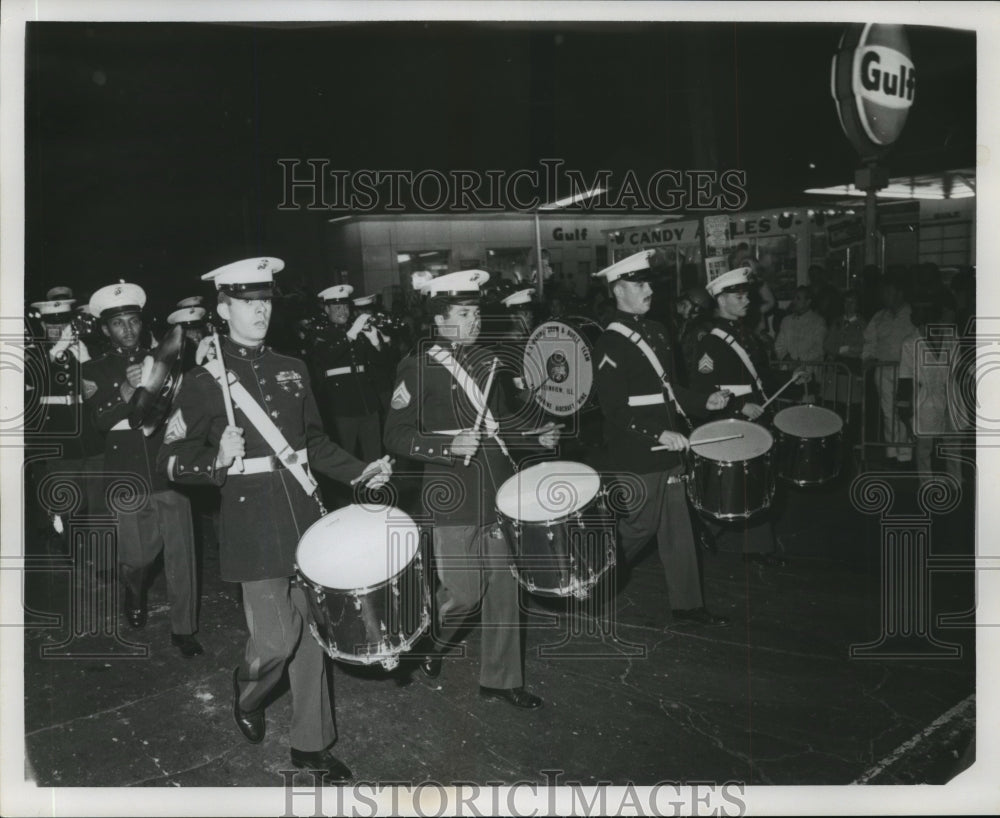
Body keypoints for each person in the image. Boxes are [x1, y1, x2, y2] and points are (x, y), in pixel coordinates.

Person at [157, 257, 391, 781]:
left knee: (313, 636)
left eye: (265, 299)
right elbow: (169, 459)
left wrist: (361, 472)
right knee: (276, 641)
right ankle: (248, 688)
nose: (259, 308)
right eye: (246, 300)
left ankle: (311, 744)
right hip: (252, 524)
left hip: (304, 515)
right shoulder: (201, 381)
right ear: (224, 308)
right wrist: (215, 457)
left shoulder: (294, 367)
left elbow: (314, 443)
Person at [384, 269, 560, 708]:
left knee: (504, 586)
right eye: (464, 312)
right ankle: (431, 642)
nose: (475, 320)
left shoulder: (488, 361)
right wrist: (445, 444)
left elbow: (499, 425)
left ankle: (502, 679)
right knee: (463, 592)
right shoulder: (417, 365)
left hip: (497, 486)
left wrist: (533, 437)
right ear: (441, 321)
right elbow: (395, 435)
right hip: (452, 491)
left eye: (477, 311)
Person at [591, 250, 732, 625]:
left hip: (670, 448)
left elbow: (673, 391)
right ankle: (592, 574)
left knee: (677, 527)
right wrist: (658, 432)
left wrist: (707, 402)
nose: (649, 289)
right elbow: (615, 409)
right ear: (619, 290)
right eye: (639, 284)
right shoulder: (610, 342)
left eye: (648, 282)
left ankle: (689, 605)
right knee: (638, 526)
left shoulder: (657, 330)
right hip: (637, 451)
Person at [80, 282, 201, 655]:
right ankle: (134, 589)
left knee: (182, 554)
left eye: (133, 321)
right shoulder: (94, 369)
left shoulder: (165, 357)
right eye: (118, 324)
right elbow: (98, 422)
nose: (128, 330)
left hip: (168, 467)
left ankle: (184, 630)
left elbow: (186, 403)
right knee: (137, 557)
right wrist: (125, 394)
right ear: (105, 329)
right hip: (126, 473)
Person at [691, 266, 809, 566]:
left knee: (754, 483)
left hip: (754, 419)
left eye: (746, 294)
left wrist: (790, 379)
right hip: (731, 421)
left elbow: (762, 378)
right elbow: (703, 388)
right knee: (741, 484)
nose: (747, 300)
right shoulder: (710, 341)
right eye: (739, 295)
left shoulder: (746, 336)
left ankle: (752, 546)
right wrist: (738, 406)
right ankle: (706, 527)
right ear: (721, 299)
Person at [25, 292, 105, 547]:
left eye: (63, 323)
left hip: (91, 436)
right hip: (57, 437)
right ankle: (72, 552)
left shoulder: (88, 348)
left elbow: (103, 389)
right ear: (42, 325)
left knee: (97, 499)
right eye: (52, 324)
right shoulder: (35, 353)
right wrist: (57, 350)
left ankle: (101, 555)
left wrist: (88, 361)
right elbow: (27, 381)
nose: (58, 329)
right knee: (68, 501)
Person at [896, 299, 964, 489]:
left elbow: (958, 369)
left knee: (953, 442)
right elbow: (905, 377)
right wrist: (904, 409)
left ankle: (956, 481)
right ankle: (926, 483)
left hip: (950, 394)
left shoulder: (951, 336)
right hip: (925, 397)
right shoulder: (910, 343)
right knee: (924, 446)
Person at [312, 284, 384, 462]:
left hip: (367, 402)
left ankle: (375, 488)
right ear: (327, 309)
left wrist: (376, 343)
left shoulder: (358, 332)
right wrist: (351, 334)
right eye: (337, 307)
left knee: (374, 454)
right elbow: (326, 357)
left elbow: (381, 365)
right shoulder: (320, 333)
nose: (342, 311)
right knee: (346, 455)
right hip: (341, 405)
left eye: (345, 306)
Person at [862, 276, 916, 464]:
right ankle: (892, 451)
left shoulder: (912, 314)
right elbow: (870, 340)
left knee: (904, 411)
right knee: (887, 411)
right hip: (883, 368)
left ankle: (905, 452)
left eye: (888, 291)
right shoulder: (879, 316)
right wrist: (867, 358)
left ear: (899, 293)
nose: (883, 295)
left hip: (906, 370)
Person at [774, 285, 826, 401]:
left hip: (809, 372)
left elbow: (819, 349)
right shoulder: (786, 321)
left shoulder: (818, 322)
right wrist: (787, 358)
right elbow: (779, 345)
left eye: (798, 298)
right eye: (794, 298)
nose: (794, 301)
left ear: (808, 302)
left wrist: (799, 361)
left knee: (805, 411)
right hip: (787, 371)